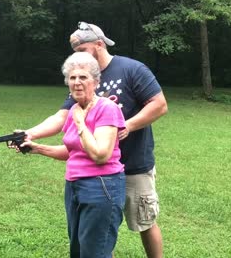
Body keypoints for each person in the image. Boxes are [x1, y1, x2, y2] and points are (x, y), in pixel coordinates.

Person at [21, 22, 168, 258]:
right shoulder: (81, 79)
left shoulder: (132, 69)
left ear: (99, 45)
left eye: (82, 49)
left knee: (144, 221)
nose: (77, 56)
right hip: (92, 171)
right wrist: (31, 134)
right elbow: (62, 116)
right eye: (74, 52)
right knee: (92, 235)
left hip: (133, 163)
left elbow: (159, 105)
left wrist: (126, 125)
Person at [21, 51, 126, 258]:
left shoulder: (107, 108)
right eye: (72, 78)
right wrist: (36, 148)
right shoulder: (74, 110)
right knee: (77, 249)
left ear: (96, 82)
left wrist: (80, 122)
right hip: (74, 186)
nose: (77, 82)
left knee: (95, 252)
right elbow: (72, 152)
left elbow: (100, 155)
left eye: (83, 77)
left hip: (101, 186)